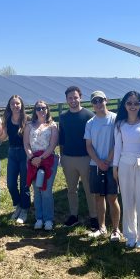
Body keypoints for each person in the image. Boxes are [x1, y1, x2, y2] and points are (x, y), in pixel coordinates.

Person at [112, 91, 140, 249]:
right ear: (124, 105)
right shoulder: (120, 124)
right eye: (129, 103)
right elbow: (117, 147)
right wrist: (115, 167)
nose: (133, 106)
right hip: (124, 164)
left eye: (136, 103)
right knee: (128, 200)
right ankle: (130, 234)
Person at [58, 86, 98, 230]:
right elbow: (61, 139)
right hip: (68, 158)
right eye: (70, 98)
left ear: (80, 97)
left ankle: (94, 217)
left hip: (85, 158)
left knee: (89, 189)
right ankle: (73, 215)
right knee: (71, 189)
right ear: (67, 100)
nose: (73, 100)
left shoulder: (89, 116)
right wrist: (62, 156)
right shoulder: (63, 117)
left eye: (75, 97)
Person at [84, 91, 122, 241]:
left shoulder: (115, 119)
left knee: (112, 197)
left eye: (100, 100)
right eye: (95, 101)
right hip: (95, 165)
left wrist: (107, 161)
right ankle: (102, 227)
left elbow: (117, 142)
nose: (98, 104)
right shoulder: (90, 123)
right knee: (98, 197)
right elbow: (88, 145)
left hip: (112, 165)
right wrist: (99, 162)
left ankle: (116, 229)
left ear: (106, 100)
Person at [24, 101, 59, 231]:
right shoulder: (29, 125)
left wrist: (41, 158)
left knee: (46, 191)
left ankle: (48, 219)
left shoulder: (52, 126)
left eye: (43, 108)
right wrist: (32, 158)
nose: (41, 110)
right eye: (38, 108)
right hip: (33, 161)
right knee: (37, 190)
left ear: (47, 109)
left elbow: (52, 144)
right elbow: (26, 144)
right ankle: (39, 218)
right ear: (35, 111)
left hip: (48, 160)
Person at [1, 95, 30, 224]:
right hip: (12, 152)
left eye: (17, 103)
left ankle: (24, 209)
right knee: (11, 183)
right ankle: (18, 204)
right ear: (9, 106)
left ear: (21, 105)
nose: (15, 106)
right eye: (13, 104)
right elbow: (3, 137)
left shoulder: (27, 120)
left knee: (24, 184)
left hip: (25, 153)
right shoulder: (7, 120)